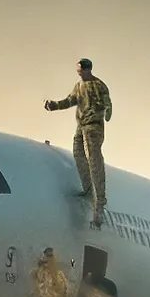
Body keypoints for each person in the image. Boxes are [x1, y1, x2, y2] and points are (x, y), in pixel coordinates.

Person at [44, 58, 112, 228]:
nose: (79, 73)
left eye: (80, 70)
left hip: (93, 127)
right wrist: (54, 105)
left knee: (94, 160)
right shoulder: (79, 87)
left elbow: (107, 104)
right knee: (78, 152)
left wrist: (106, 113)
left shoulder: (99, 86)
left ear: (88, 70)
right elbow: (70, 101)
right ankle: (88, 186)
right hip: (81, 126)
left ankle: (99, 203)